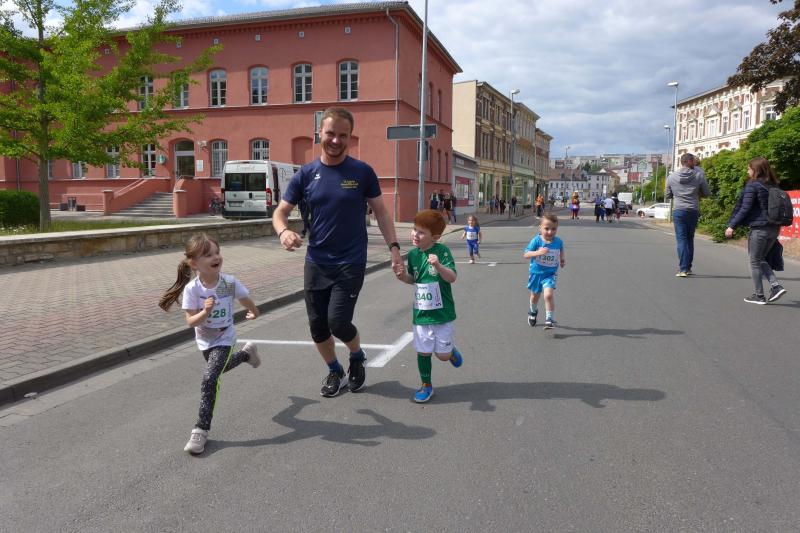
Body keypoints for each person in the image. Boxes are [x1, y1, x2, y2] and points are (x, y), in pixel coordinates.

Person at [272, 107, 402, 397]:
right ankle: (335, 370)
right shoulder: (306, 174)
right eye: (330, 133)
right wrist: (283, 232)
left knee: (338, 322)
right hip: (316, 262)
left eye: (343, 135)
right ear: (320, 132)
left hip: (350, 261)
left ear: (349, 137)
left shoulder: (362, 172)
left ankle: (357, 356)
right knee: (318, 327)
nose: (335, 140)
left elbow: (381, 212)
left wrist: (394, 247)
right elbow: (280, 212)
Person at [159, 234, 261, 455]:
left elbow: (244, 298)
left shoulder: (228, 283)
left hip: (225, 338)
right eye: (208, 255)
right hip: (205, 341)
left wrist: (254, 310)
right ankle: (246, 354)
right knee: (220, 369)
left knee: (209, 378)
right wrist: (205, 312)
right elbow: (190, 321)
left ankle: (201, 429)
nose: (216, 257)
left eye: (217, 252)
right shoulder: (193, 290)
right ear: (194, 263)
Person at [392, 209, 462, 403]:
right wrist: (402, 277)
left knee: (442, 355)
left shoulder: (442, 252)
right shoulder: (413, 255)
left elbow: (452, 277)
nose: (415, 234)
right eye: (414, 229)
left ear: (435, 237)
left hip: (442, 314)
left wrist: (439, 266)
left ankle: (450, 351)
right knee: (423, 352)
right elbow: (413, 279)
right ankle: (426, 385)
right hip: (421, 313)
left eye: (421, 232)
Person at [724, 157, 787, 304]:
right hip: (774, 228)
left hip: (759, 229)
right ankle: (775, 286)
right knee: (760, 259)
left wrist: (732, 225)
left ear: (756, 170)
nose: (747, 171)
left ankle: (760, 296)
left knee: (754, 261)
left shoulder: (753, 185)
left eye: (749, 168)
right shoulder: (774, 185)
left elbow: (745, 208)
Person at [665, 153, 710, 277]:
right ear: (690, 161)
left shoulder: (671, 177)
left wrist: (677, 194)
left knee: (681, 239)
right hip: (693, 210)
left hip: (679, 210)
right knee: (690, 239)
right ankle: (688, 268)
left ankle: (683, 269)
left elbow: (667, 195)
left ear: (681, 162)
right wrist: (697, 193)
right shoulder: (699, 175)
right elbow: (707, 193)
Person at [524, 213, 566, 329]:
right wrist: (538, 252)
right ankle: (533, 311)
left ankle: (549, 319)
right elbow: (526, 254)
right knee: (534, 296)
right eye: (546, 229)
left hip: (550, 274)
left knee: (548, 295)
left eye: (553, 229)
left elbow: (561, 248)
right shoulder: (536, 241)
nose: (550, 232)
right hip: (536, 274)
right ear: (540, 228)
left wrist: (562, 258)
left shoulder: (558, 241)